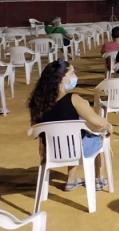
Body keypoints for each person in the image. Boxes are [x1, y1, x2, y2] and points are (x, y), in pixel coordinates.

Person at [28, 60, 113, 191]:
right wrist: (108, 126)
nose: (74, 76)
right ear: (61, 78)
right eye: (72, 73)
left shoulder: (37, 102)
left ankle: (71, 180)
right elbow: (97, 122)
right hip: (75, 150)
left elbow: (35, 129)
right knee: (96, 136)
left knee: (70, 136)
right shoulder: (73, 99)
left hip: (50, 151)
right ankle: (99, 179)